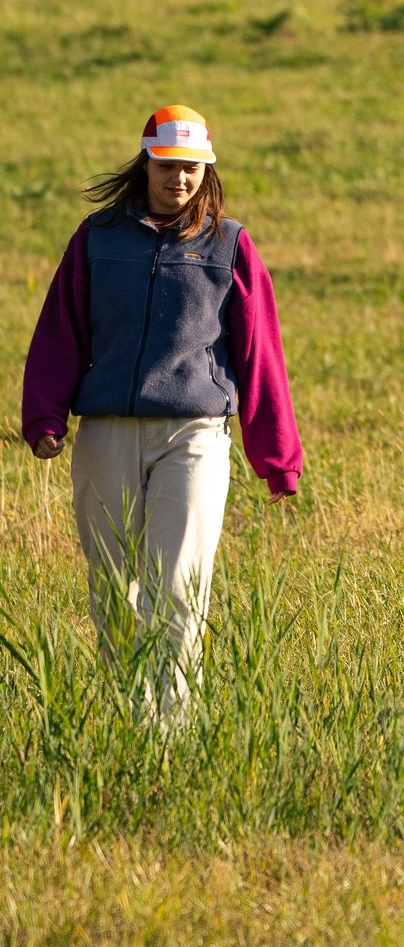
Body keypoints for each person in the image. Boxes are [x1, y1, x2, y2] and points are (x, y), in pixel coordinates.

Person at [22, 105, 302, 715]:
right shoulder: (96, 239)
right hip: (107, 436)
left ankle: (169, 736)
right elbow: (60, 332)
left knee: (176, 588)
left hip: (195, 435)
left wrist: (277, 459)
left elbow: (260, 353)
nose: (181, 179)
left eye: (193, 168)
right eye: (170, 165)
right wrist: (45, 417)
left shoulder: (229, 244)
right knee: (114, 593)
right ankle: (131, 722)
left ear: (208, 169)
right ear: (147, 160)